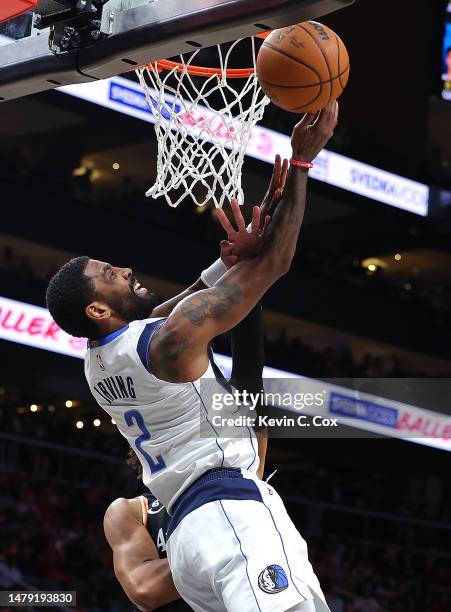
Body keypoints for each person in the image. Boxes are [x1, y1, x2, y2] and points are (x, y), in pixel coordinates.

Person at [46, 101, 338, 612]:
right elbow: (277, 264)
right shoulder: (163, 342)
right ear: (96, 307)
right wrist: (302, 165)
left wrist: (225, 265)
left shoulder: (99, 363)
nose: (125, 269)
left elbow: (168, 313)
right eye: (111, 274)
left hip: (189, 537)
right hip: (228, 508)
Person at [104, 295, 268, 611]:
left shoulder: (233, 471)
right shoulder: (130, 512)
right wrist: (222, 545)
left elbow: (250, 374)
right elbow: (146, 590)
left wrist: (248, 285)